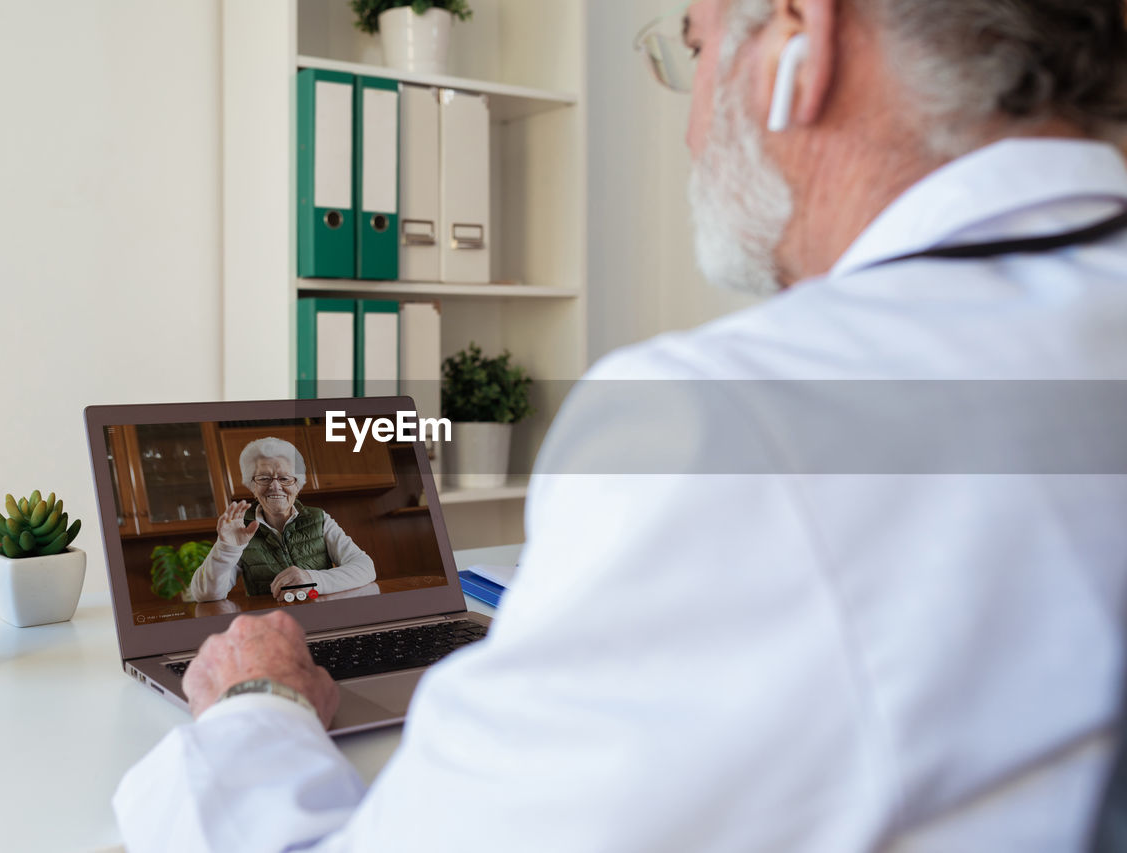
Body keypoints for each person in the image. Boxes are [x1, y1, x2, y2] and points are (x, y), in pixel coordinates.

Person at [115, 1, 1127, 849]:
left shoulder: (734, 424)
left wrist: (256, 709)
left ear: (796, 35)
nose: (689, 128)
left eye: (688, 48)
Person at [187, 437, 375, 603]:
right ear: (252, 486)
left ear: (297, 485)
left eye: (285, 478)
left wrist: (312, 579)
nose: (275, 486)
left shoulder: (319, 518)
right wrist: (226, 549)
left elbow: (365, 568)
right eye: (264, 478)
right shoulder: (239, 528)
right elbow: (205, 595)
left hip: (321, 617)